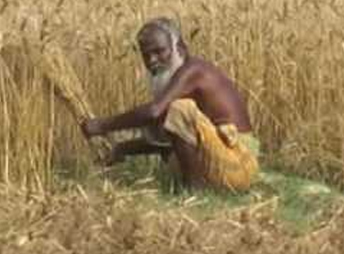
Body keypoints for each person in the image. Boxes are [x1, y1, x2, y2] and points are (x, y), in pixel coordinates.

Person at [80, 18, 259, 191]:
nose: (152, 61)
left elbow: (153, 112)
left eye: (159, 51)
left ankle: (194, 190)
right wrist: (122, 149)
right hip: (224, 160)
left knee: (179, 110)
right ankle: (194, 186)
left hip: (237, 162)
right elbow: (170, 140)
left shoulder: (193, 71)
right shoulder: (181, 81)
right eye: (146, 54)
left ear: (179, 47)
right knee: (168, 124)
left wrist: (101, 125)